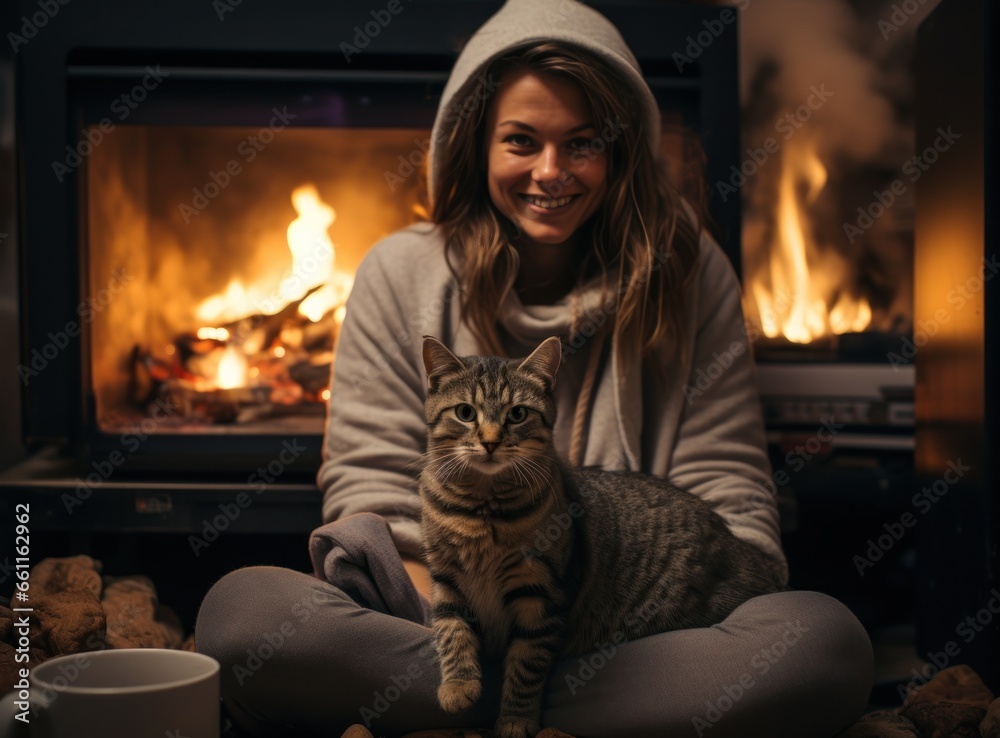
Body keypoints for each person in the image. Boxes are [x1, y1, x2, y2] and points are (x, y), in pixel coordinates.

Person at [195, 1, 873, 736]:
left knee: (823, 644)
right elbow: (369, 492)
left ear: (618, 151)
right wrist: (460, 629)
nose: (550, 172)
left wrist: (555, 639)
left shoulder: (690, 269)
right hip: (437, 614)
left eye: (581, 144)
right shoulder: (397, 272)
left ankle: (471, 714)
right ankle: (553, 714)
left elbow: (728, 486)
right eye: (521, 141)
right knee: (241, 617)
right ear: (477, 144)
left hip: (630, 629)